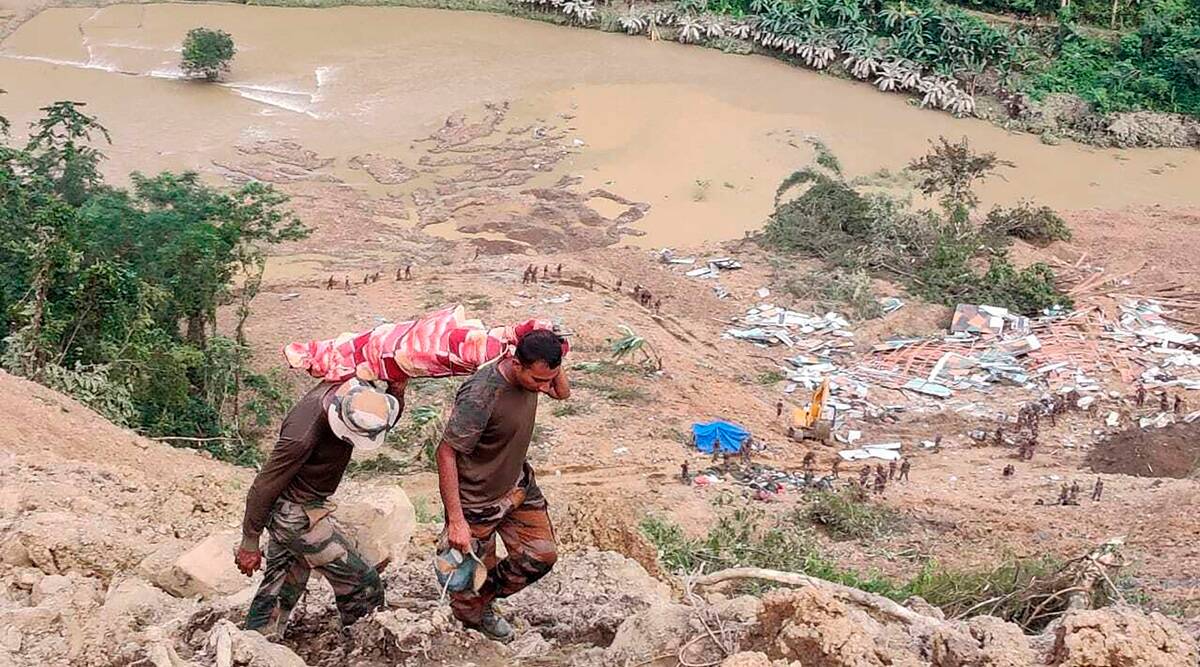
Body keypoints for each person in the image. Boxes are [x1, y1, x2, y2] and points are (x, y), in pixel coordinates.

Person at [235, 377, 406, 637]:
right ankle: (362, 645)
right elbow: (264, 486)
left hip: (304, 507)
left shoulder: (355, 391)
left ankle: (255, 643)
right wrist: (249, 542)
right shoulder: (301, 436)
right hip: (295, 514)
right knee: (361, 583)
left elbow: (381, 418)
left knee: (282, 582)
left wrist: (396, 390)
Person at [435, 329, 570, 642]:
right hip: (476, 502)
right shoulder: (481, 395)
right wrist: (456, 521)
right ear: (516, 363)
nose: (544, 388)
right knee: (467, 588)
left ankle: (482, 597)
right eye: (538, 381)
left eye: (548, 378)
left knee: (541, 555)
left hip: (517, 487)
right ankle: (473, 616)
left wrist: (556, 365)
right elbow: (446, 452)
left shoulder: (539, 373)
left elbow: (562, 393)